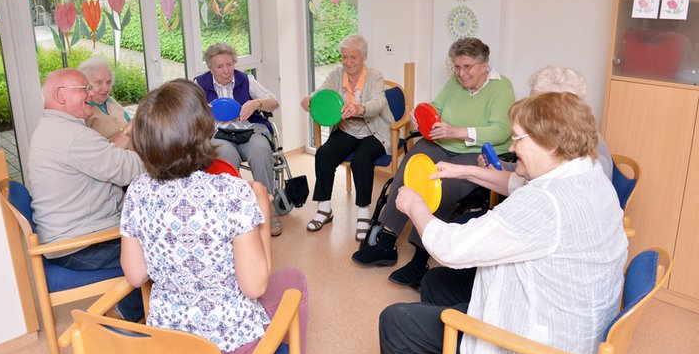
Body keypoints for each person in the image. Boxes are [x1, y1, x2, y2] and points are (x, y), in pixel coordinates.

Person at [378, 92, 628, 354]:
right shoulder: (586, 172)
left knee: (397, 323)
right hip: (569, 318)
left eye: (519, 138)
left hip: (539, 346)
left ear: (551, 145)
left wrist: (415, 206)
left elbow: (450, 248)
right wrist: (464, 171)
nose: (512, 146)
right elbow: (515, 183)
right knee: (437, 283)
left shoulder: (545, 203)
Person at [120, 79, 310, 354]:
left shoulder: (137, 190)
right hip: (232, 346)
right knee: (294, 279)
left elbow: (135, 276)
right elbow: (255, 286)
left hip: (170, 343)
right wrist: (260, 215)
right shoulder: (231, 192)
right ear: (204, 131)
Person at [352, 37, 515, 289]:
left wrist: (457, 131)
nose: (461, 73)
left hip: (477, 153)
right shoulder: (455, 82)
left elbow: (501, 131)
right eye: (457, 67)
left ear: (484, 65)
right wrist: (422, 116)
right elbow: (436, 106)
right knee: (410, 166)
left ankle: (419, 260)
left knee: (441, 187)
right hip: (442, 143)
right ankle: (386, 241)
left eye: (467, 67)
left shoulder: (501, 87)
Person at [27, 68, 144, 321]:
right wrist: (170, 155)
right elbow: (128, 170)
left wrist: (129, 130)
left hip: (68, 232)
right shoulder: (72, 136)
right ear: (61, 95)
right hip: (80, 245)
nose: (91, 94)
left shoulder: (55, 127)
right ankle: (123, 314)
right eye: (85, 89)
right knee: (160, 244)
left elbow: (104, 157)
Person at [300, 34, 395, 240]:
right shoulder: (336, 75)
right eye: (344, 57)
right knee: (324, 154)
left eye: (353, 57)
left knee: (362, 159)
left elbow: (378, 102)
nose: (348, 62)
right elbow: (322, 92)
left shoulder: (375, 77)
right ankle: (324, 209)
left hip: (374, 132)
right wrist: (311, 98)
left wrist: (360, 108)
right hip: (346, 130)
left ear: (364, 57)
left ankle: (363, 214)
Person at [194, 43, 283, 236]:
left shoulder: (246, 80)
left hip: (248, 130)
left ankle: (268, 205)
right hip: (219, 133)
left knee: (261, 150)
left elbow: (274, 103)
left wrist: (256, 103)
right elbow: (186, 112)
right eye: (220, 66)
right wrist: (202, 110)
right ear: (210, 67)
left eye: (229, 64)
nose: (226, 71)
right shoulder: (198, 84)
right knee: (224, 156)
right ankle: (235, 208)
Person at [494, 66, 613, 180]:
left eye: (536, 107)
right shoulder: (561, 133)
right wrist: (501, 165)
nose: (528, 111)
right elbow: (532, 165)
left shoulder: (591, 155)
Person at [79, 57, 133, 150]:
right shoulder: (82, 112)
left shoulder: (111, 101)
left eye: (108, 82)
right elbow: (99, 152)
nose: (106, 88)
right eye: (99, 83)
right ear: (86, 85)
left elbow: (131, 123)